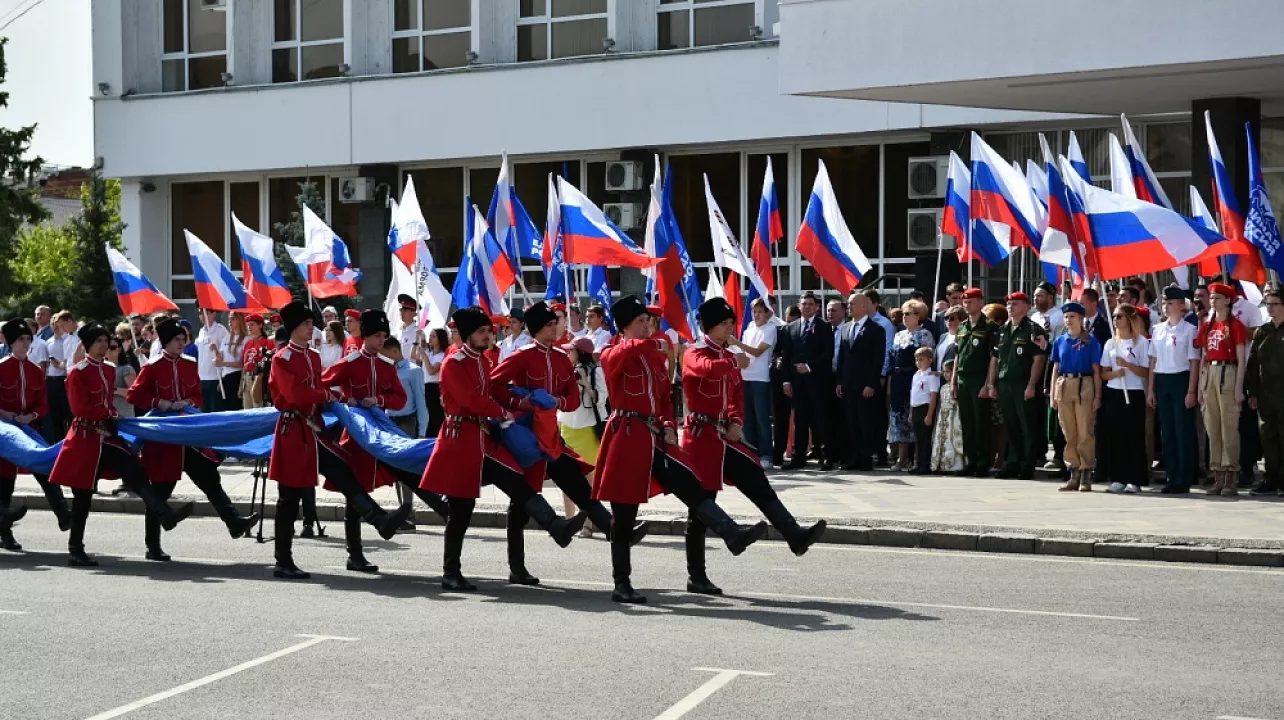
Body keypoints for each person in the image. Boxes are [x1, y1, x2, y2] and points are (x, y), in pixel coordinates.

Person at [592, 296, 766, 604]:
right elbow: (620, 353)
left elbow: (662, 400)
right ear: (623, 327)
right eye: (640, 322)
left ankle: (730, 533)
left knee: (691, 485)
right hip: (627, 437)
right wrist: (660, 344)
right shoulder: (613, 352)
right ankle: (622, 582)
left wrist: (669, 425)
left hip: (654, 436)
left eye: (648, 321)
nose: (647, 327)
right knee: (624, 512)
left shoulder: (655, 356)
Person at [419, 306, 585, 591]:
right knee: (461, 509)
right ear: (468, 334)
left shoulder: (483, 362)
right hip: (460, 439)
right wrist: (499, 410)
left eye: (489, 331)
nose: (488, 335)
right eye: (482, 331)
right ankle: (450, 571)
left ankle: (555, 527)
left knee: (517, 484)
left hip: (484, 438)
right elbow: (470, 399)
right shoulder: (453, 362)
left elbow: (495, 391)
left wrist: (520, 403)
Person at [680, 298, 825, 595]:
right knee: (701, 507)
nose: (730, 328)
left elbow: (736, 395)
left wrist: (735, 420)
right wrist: (734, 360)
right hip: (701, 437)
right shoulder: (695, 352)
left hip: (723, 435)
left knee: (756, 479)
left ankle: (793, 534)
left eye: (731, 322)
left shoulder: (728, 354)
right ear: (710, 326)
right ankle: (697, 575)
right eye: (724, 323)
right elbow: (705, 370)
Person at [490, 301, 641, 584]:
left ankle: (615, 531)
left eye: (555, 323)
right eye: (548, 325)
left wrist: (556, 400)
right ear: (536, 329)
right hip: (523, 437)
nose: (554, 328)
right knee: (521, 503)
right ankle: (517, 567)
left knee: (579, 486)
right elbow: (494, 385)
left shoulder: (561, 358)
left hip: (551, 435)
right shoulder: (521, 356)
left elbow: (571, 399)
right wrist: (522, 399)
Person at [267, 301, 413, 580]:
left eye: (311, 323)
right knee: (289, 497)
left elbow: (319, 387)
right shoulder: (281, 359)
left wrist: (331, 396)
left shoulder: (312, 355)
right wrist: (326, 395)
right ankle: (283, 560)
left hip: (314, 429)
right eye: (307, 324)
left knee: (344, 472)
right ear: (294, 327)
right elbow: (296, 394)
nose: (312, 328)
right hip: (293, 431)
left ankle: (378, 519)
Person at [48, 323, 195, 566]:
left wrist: (111, 412)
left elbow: (110, 399)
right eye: (99, 341)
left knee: (135, 471)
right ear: (87, 345)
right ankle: (76, 548)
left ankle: (165, 515)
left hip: (107, 436)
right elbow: (78, 407)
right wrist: (108, 410)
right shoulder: (78, 372)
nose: (104, 345)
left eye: (106, 341)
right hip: (85, 438)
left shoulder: (108, 369)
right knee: (83, 497)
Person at [321, 309, 450, 571]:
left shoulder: (385, 365)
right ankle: (354, 554)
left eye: (383, 335)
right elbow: (323, 386)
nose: (381, 340)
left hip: (380, 431)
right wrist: (349, 401)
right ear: (366, 335)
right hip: (356, 434)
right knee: (354, 493)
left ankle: (441, 505)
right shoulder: (350, 362)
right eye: (376, 335)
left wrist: (378, 400)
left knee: (403, 464)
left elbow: (400, 399)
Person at [125, 318, 259, 560]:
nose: (181, 343)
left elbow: (197, 394)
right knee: (161, 490)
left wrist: (189, 402)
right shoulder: (152, 366)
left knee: (210, 479)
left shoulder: (189, 364)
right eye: (176, 339)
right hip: (164, 439)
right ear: (165, 342)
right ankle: (152, 546)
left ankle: (234, 522)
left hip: (190, 437)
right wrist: (161, 403)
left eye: (183, 339)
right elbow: (134, 395)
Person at [0, 318, 71, 550]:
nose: (25, 343)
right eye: (20, 340)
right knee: (5, 481)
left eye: (28, 339)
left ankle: (63, 513)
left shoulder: (34, 371)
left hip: (29, 427)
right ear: (11, 343)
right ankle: (6, 532)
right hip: (4, 431)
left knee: (45, 465)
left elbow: (43, 404)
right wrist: (6, 414)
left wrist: (31, 416)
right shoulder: (1, 367)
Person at [990, 292, 1049, 479]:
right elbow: (995, 359)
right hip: (1005, 383)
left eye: (1015, 303)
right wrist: (991, 384)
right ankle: (1013, 462)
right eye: (1008, 304)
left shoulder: (1033, 330)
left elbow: (1038, 360)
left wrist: (1031, 385)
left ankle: (1027, 465)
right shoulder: (1002, 330)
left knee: (1027, 426)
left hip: (1023, 383)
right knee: (1011, 426)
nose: (1010, 307)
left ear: (1026, 307)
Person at [1147, 287, 1200, 494]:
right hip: (1163, 380)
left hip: (1181, 379)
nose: (1166, 307)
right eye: (1164, 303)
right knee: (1167, 432)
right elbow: (1153, 361)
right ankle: (1171, 475)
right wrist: (1151, 390)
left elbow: (1194, 362)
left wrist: (1191, 391)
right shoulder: (1158, 329)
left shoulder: (1189, 330)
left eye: (1170, 303)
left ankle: (1183, 478)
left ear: (1181, 305)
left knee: (1182, 431)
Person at [1198, 282, 1248, 496]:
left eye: (1217, 297)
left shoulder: (1234, 325)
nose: (1213, 301)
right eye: (1211, 298)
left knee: (1229, 427)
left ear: (1228, 300)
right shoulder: (1207, 325)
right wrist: (1201, 386)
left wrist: (1238, 388)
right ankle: (1217, 473)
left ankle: (1230, 476)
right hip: (1210, 372)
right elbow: (1202, 355)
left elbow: (1241, 358)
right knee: (1212, 427)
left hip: (1228, 372)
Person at [1049, 302, 1103, 492]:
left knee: (1084, 430)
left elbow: (1096, 370)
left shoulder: (1090, 341)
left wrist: (1097, 396)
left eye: (1072, 316)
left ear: (1081, 319)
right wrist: (1053, 394)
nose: (1068, 320)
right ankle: (1073, 471)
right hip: (1064, 384)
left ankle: (1086, 471)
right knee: (1068, 431)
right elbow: (1055, 367)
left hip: (1084, 384)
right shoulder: (1060, 340)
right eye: (1066, 317)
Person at [1097, 304, 1151, 494]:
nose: (1115, 320)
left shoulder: (1142, 342)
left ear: (1129, 319)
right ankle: (1117, 477)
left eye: (1119, 316)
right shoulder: (1111, 343)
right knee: (1116, 436)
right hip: (1115, 392)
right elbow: (1103, 372)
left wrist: (1128, 365)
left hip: (1134, 392)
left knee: (1133, 436)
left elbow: (1145, 371)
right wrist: (1115, 374)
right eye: (1114, 316)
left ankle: (1134, 478)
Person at [559, 336, 607, 535]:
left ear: (580, 353)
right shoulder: (566, 371)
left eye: (571, 350)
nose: (567, 354)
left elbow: (601, 399)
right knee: (565, 479)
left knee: (589, 480)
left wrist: (585, 382)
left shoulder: (597, 371)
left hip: (587, 428)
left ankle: (588, 522)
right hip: (566, 426)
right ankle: (569, 521)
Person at [780, 291, 833, 469]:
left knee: (821, 420)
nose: (807, 307)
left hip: (817, 382)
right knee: (800, 421)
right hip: (797, 384)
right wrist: (786, 381)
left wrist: (809, 367)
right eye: (804, 304)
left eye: (810, 304)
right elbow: (785, 357)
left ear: (817, 307)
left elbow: (827, 354)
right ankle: (798, 457)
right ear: (799, 306)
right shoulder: (790, 327)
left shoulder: (824, 327)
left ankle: (826, 456)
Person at [381, 337, 429, 529]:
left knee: (406, 471)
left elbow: (420, 402)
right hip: (389, 422)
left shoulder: (413, 371)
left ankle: (407, 514)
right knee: (396, 471)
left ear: (394, 351)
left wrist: (422, 432)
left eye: (385, 354)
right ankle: (403, 511)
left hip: (407, 422)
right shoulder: (387, 370)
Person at [836, 291, 887, 471]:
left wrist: (871, 384)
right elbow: (843, 357)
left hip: (865, 384)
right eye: (849, 304)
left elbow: (877, 359)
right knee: (851, 422)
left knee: (865, 422)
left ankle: (866, 459)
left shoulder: (876, 329)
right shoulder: (846, 327)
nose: (849, 307)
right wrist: (840, 381)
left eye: (853, 304)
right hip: (848, 383)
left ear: (864, 306)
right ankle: (853, 458)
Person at [952, 288, 999, 477]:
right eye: (965, 301)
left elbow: (992, 358)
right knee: (967, 423)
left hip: (979, 379)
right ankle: (970, 461)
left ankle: (982, 462)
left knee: (981, 423)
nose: (967, 304)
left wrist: (988, 383)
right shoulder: (962, 327)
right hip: (963, 379)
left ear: (981, 302)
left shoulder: (989, 326)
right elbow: (957, 356)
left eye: (970, 301)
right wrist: (954, 382)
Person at [888, 300, 934, 471]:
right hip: (898, 378)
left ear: (918, 316)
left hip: (915, 378)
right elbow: (892, 358)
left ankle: (917, 459)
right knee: (898, 417)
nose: (904, 317)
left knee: (914, 418)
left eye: (908, 314)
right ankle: (901, 458)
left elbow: (928, 360)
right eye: (903, 314)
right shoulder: (899, 335)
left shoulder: (925, 334)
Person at [1246, 289, 1284, 496]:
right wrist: (1252, 392)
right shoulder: (1262, 331)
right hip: (1266, 394)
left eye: (1275, 303)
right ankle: (1270, 479)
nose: (1270, 308)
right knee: (1267, 438)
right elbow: (1253, 363)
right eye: (1268, 304)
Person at [737, 298, 778, 469]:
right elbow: (742, 353)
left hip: (760, 379)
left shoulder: (770, 329)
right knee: (748, 419)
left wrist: (736, 342)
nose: (756, 315)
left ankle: (766, 454)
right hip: (745, 377)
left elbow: (758, 351)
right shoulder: (749, 328)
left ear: (768, 313)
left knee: (762, 419)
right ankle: (751, 453)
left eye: (760, 312)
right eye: (754, 311)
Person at [771, 305, 801, 467]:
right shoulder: (781, 331)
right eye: (787, 321)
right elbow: (776, 353)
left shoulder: (803, 332)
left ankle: (800, 453)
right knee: (780, 421)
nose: (789, 325)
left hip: (801, 381)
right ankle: (778, 454)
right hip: (781, 381)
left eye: (792, 322)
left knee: (802, 420)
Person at [42, 310, 79, 442]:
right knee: (57, 414)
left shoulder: (81, 335)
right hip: (60, 380)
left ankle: (72, 440)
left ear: (69, 321)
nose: (60, 329)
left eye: (62, 326)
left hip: (74, 379)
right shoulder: (61, 340)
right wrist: (59, 364)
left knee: (70, 413)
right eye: (56, 326)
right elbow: (68, 362)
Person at [823, 299, 848, 471]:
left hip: (844, 380)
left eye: (834, 310)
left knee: (843, 420)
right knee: (827, 420)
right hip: (825, 379)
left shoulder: (848, 329)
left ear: (843, 312)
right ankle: (828, 456)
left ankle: (844, 455)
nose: (830, 313)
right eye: (828, 310)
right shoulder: (824, 330)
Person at [909, 347, 939, 475]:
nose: (918, 362)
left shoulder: (931, 376)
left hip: (925, 408)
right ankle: (919, 463)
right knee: (918, 439)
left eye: (921, 360)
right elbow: (913, 394)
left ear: (930, 361)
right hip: (915, 408)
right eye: (917, 360)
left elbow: (933, 396)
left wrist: (929, 414)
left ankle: (926, 464)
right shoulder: (916, 375)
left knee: (925, 438)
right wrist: (911, 412)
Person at [931, 359, 964, 473]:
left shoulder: (956, 388)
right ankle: (941, 464)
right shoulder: (943, 387)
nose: (945, 374)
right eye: (944, 372)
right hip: (943, 417)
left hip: (953, 417)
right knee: (942, 439)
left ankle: (954, 465)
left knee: (952, 439)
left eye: (948, 371)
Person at [416, 328, 448, 437]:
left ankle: (436, 437)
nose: (431, 338)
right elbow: (413, 356)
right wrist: (419, 338)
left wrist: (424, 355)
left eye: (433, 336)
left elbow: (431, 371)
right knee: (426, 416)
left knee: (435, 416)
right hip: (425, 386)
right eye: (430, 335)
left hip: (434, 388)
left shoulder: (442, 355)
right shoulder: (429, 352)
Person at [240, 314, 274, 409]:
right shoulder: (247, 344)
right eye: (248, 325)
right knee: (247, 411)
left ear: (260, 325)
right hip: (247, 379)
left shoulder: (269, 343)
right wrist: (241, 385)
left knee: (259, 407)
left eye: (252, 324)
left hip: (260, 379)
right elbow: (244, 366)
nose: (249, 327)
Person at [217, 312, 248, 411]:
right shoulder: (226, 338)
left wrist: (224, 363)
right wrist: (214, 350)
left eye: (233, 318)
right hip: (225, 377)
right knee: (226, 408)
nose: (229, 321)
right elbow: (220, 359)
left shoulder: (246, 339)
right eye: (229, 319)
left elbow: (242, 363)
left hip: (238, 377)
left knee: (236, 407)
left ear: (240, 320)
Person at [107, 337, 137, 420]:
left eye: (112, 348)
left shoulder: (126, 369)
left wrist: (113, 390)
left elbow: (134, 394)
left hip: (123, 417)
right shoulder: (100, 369)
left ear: (119, 349)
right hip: (106, 418)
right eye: (106, 347)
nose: (108, 350)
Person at [934, 305, 965, 371]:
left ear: (961, 320)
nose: (948, 321)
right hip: (938, 378)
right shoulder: (943, 336)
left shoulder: (964, 337)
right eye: (946, 318)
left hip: (953, 377)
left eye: (952, 318)